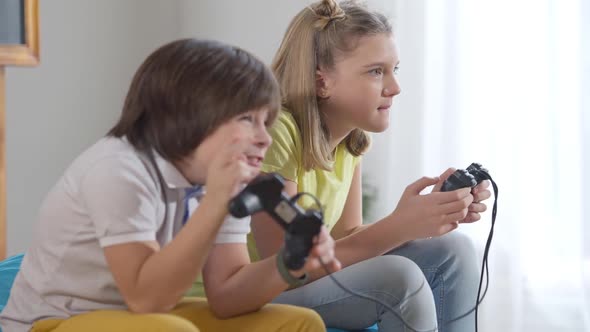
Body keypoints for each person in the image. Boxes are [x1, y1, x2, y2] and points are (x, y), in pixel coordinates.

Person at [0, 38, 340, 332]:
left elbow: (226, 295)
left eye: (266, 122)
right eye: (247, 120)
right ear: (190, 115)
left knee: (299, 323)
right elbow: (147, 299)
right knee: (168, 328)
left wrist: (289, 262)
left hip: (141, 317)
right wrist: (216, 203)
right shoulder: (118, 171)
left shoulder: (218, 178)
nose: (265, 138)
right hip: (53, 323)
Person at [250, 1, 492, 331]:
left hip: (294, 285)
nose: (394, 88)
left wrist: (424, 218)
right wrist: (401, 225)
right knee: (398, 279)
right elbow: (288, 268)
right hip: (252, 296)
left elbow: (346, 237)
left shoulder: (350, 142)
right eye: (376, 71)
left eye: (395, 70)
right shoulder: (276, 133)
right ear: (322, 82)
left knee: (453, 249)